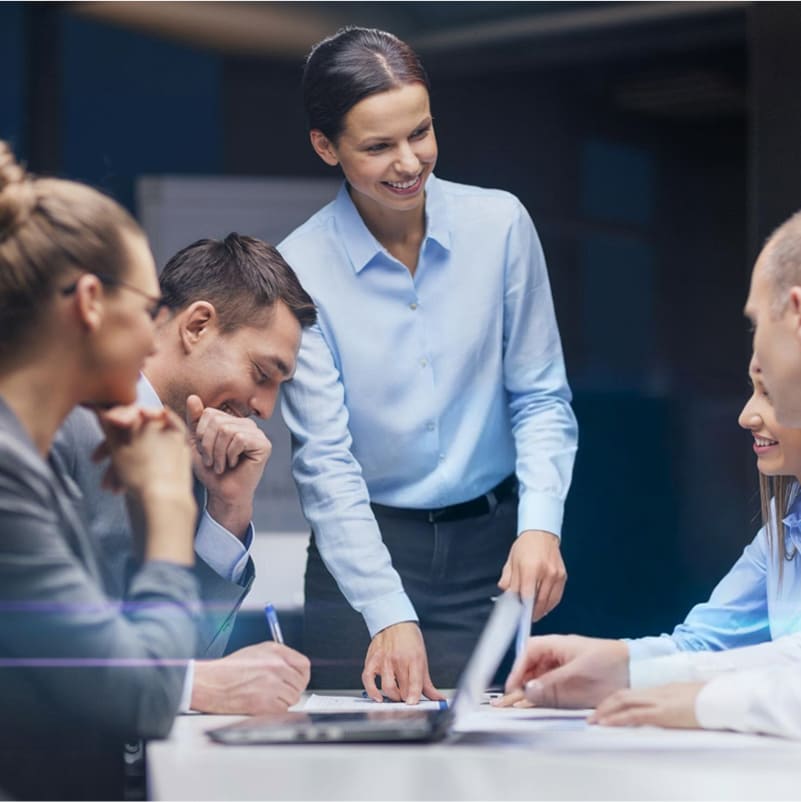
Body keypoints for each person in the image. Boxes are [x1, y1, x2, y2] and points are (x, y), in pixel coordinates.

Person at [279, 27, 577, 701]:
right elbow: (324, 458)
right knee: (350, 751)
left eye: (420, 132)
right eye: (378, 146)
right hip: (360, 560)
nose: (409, 162)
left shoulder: (500, 226)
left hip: (492, 556)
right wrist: (385, 609)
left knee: (498, 747)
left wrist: (539, 524)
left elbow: (539, 397)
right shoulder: (297, 269)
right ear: (326, 147)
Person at [502, 211, 801, 740]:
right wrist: (619, 663)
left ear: (796, 314)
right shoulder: (785, 525)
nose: (746, 414)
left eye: (757, 322)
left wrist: (690, 697)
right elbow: (713, 643)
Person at [0, 140, 199, 799]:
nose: (151, 339)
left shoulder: (31, 461)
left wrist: (146, 509)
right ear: (89, 301)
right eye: (148, 311)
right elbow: (142, 696)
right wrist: (169, 506)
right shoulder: (6, 475)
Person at [54, 233, 315, 714]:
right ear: (197, 326)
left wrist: (228, 510)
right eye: (262, 374)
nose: (266, 408)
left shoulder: (194, 456)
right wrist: (192, 686)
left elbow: (190, 657)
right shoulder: (56, 418)